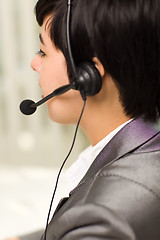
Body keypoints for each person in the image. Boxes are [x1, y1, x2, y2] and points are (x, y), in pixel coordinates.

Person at [7, 0, 160, 239]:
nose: (34, 64)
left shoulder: (104, 218)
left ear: (87, 75)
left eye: (43, 52)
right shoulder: (146, 149)